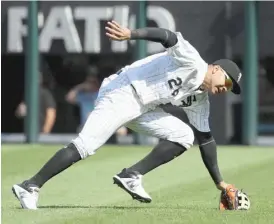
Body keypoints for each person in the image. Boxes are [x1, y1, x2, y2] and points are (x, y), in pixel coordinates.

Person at [12, 21, 245, 210]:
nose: (226, 88)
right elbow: (168, 36)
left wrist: (220, 183)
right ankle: (30, 186)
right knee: (85, 146)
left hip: (143, 107)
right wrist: (131, 34)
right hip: (123, 91)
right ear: (215, 68)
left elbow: (206, 139)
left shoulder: (200, 100)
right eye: (227, 80)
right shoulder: (194, 62)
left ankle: (132, 175)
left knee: (184, 135)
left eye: (230, 87)